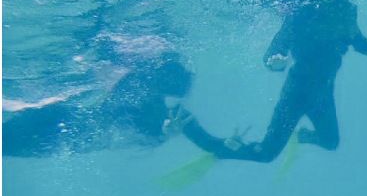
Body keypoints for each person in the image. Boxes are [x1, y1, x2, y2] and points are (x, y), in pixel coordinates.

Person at [186, 0, 367, 162]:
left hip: (323, 96)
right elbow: (273, 53)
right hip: (294, 97)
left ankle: (301, 136)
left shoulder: (345, 12)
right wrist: (276, 64)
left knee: (330, 142)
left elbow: (357, 41)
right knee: (266, 155)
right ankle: (222, 148)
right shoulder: (300, 17)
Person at [3, 51, 211, 157]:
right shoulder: (137, 85)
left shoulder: (174, 115)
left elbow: (215, 147)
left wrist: (165, 133)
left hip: (68, 133)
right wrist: (164, 134)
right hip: (65, 123)